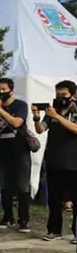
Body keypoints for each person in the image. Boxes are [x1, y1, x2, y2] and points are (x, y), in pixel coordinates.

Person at [0, 78, 31, 232]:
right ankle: (7, 217)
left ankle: (24, 220)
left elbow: (17, 123)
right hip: (3, 150)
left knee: (23, 187)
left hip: (20, 151)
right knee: (5, 186)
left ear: (11, 90)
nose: (1, 92)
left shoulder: (20, 105)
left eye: (4, 89)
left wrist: (0, 110)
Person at [33, 80, 77, 241]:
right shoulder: (53, 110)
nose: (60, 97)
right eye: (58, 94)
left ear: (73, 94)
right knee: (54, 198)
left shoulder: (74, 109)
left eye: (63, 95)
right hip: (54, 159)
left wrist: (57, 116)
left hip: (73, 160)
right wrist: (37, 118)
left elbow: (75, 129)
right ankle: (54, 230)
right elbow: (41, 129)